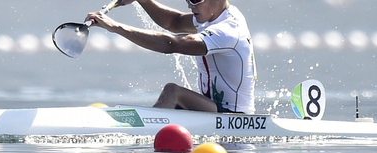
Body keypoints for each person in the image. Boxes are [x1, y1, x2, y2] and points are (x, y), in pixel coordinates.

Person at [87, 0, 256, 114]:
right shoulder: (215, 15)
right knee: (174, 99)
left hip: (234, 116)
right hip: (215, 110)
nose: (190, 5)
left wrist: (115, 27)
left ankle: (145, 129)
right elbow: (174, 22)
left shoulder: (229, 30)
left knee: (173, 92)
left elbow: (172, 44)